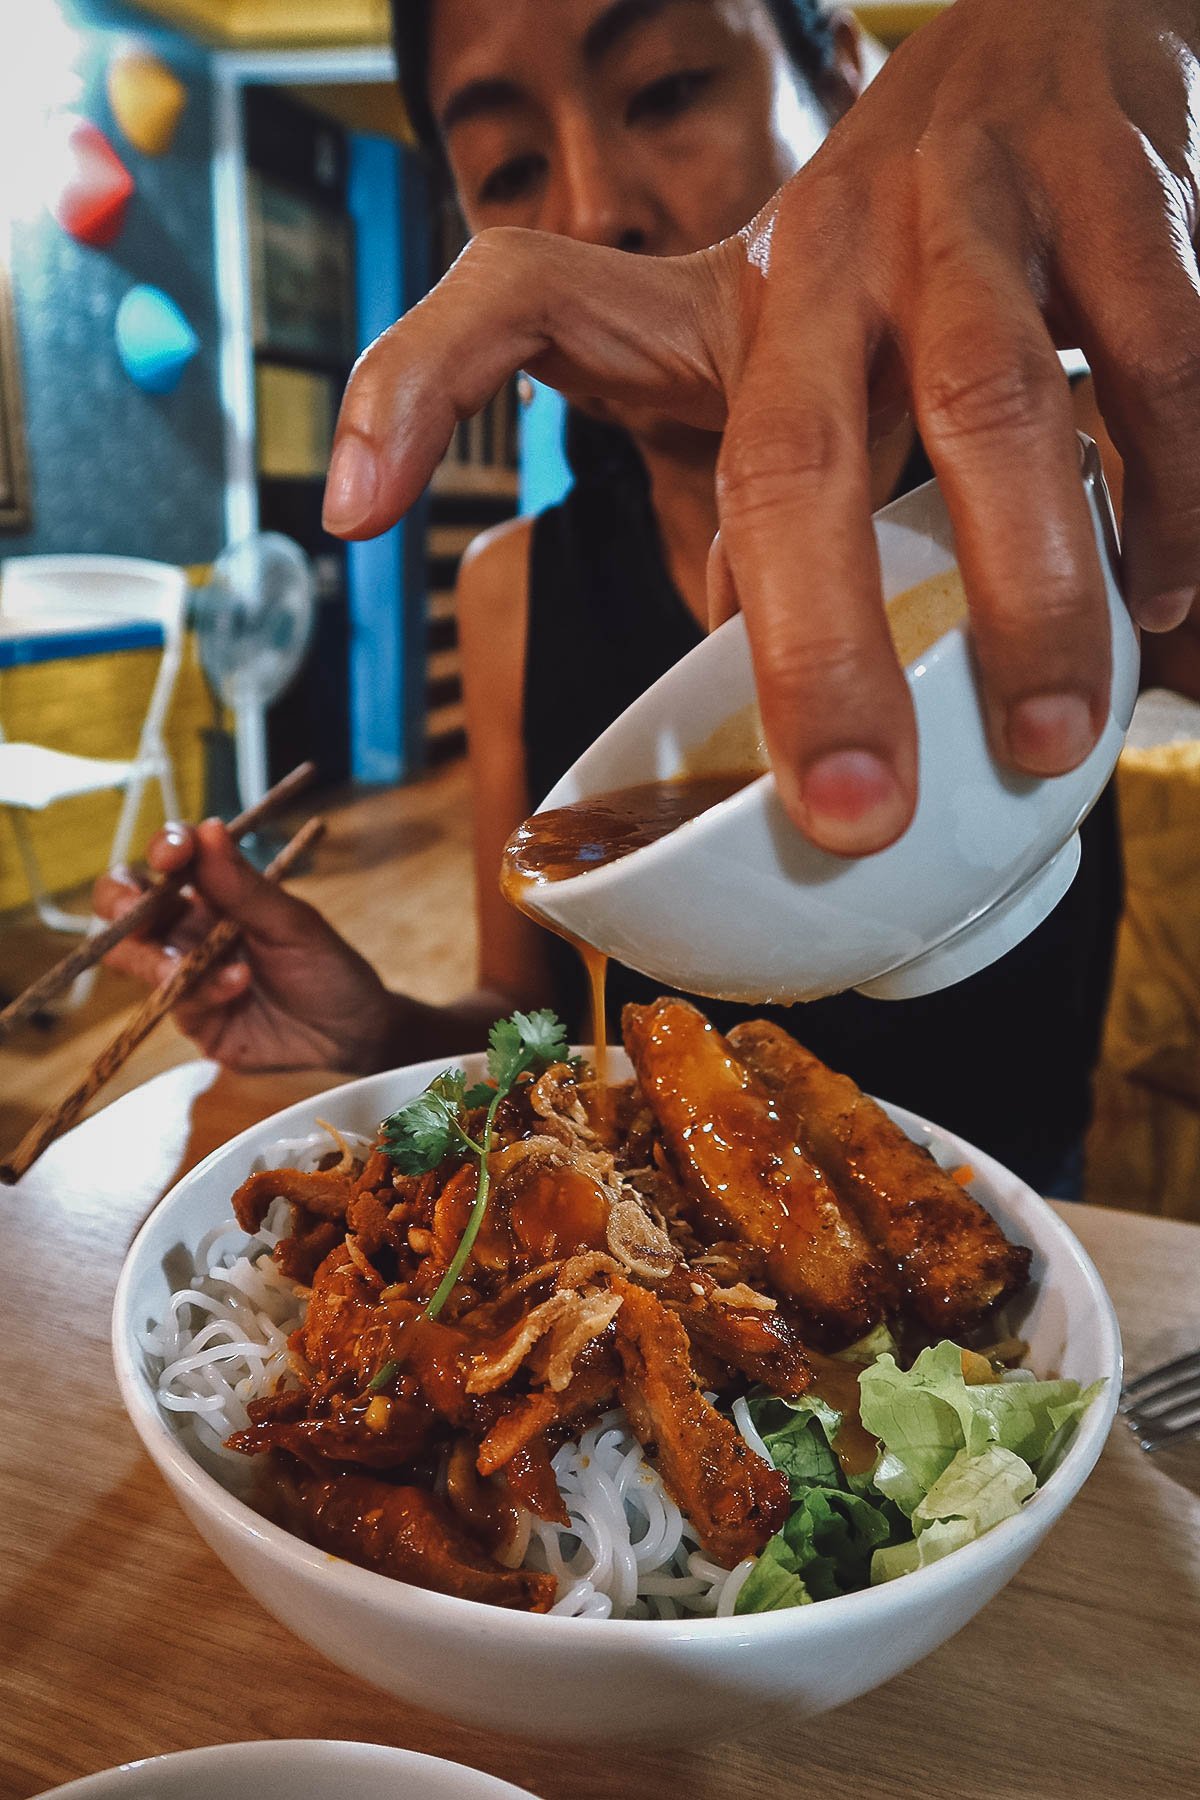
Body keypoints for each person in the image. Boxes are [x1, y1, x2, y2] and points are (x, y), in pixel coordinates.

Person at [97, 0, 1200, 1197]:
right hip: (692, 1278)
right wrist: (366, 1039)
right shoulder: (512, 586)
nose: (591, 208)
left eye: (667, 88)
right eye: (510, 166)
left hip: (1037, 1256)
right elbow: (534, 1025)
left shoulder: (1058, 461)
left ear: (840, 73)